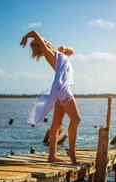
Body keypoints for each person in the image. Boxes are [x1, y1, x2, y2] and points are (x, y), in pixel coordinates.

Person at [20, 31, 81, 163]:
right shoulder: (48, 53)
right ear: (41, 45)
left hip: (60, 92)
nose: (45, 40)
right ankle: (72, 151)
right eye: (42, 41)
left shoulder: (58, 54)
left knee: (56, 124)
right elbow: (34, 33)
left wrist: (63, 47)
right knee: (76, 120)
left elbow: (72, 51)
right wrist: (26, 37)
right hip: (64, 91)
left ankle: (52, 156)